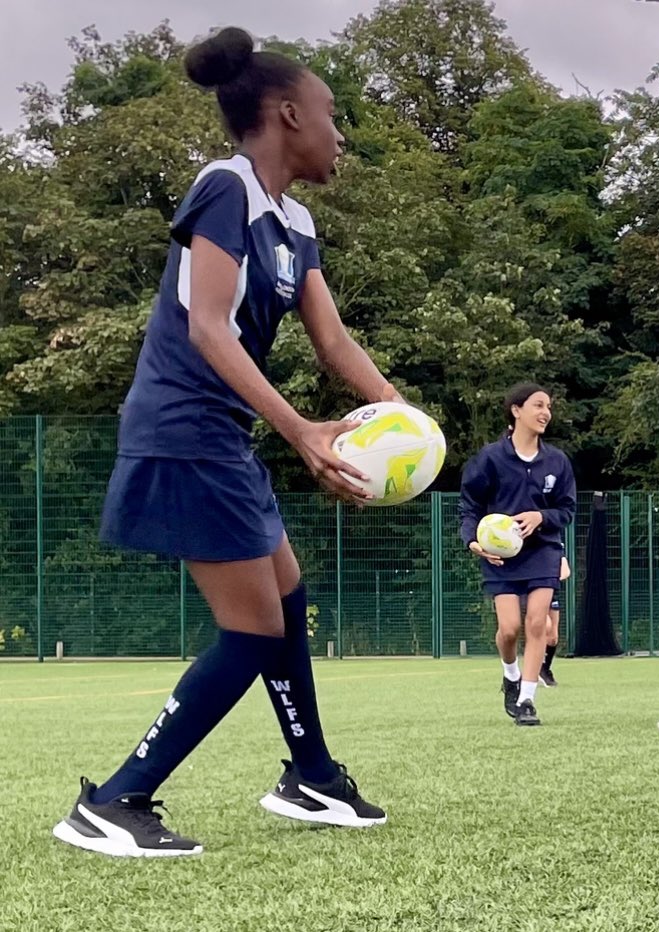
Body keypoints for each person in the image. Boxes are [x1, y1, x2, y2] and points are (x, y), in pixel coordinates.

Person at [53, 28, 395, 857]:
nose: (339, 131)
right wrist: (304, 433)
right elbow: (208, 328)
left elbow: (335, 345)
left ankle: (310, 774)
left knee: (287, 601)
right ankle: (117, 798)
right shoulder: (225, 188)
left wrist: (404, 415)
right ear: (286, 115)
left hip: (222, 436)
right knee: (249, 631)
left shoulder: (296, 222)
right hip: (184, 429)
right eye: (330, 113)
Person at [459, 384, 577, 726]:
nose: (545, 413)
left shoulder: (557, 461)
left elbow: (567, 509)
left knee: (537, 622)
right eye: (538, 405)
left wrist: (542, 517)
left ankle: (527, 700)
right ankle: (510, 675)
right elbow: (469, 507)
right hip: (501, 557)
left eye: (549, 407)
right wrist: (473, 541)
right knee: (509, 629)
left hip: (544, 550)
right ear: (516, 410)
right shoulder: (490, 459)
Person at [539, 554, 570, 688]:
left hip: (551, 591)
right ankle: (531, 668)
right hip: (533, 591)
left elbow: (565, 570)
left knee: (553, 638)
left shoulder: (554, 547)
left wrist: (552, 579)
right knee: (545, 626)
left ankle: (544, 669)